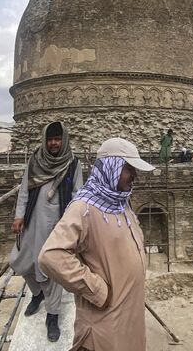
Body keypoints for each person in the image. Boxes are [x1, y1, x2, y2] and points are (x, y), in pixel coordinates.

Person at [38, 138, 155, 351]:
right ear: (112, 168)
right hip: (104, 326)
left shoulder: (121, 203)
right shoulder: (84, 208)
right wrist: (97, 289)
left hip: (129, 318)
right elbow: (51, 256)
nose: (135, 176)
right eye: (129, 169)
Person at [9, 122, 83, 342]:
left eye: (57, 139)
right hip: (32, 221)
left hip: (57, 226)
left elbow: (78, 194)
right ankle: (37, 293)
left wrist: (73, 226)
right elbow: (24, 189)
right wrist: (19, 216)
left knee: (51, 269)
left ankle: (52, 316)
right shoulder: (36, 160)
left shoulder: (72, 163)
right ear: (45, 140)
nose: (53, 143)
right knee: (19, 261)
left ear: (64, 140)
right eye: (50, 139)